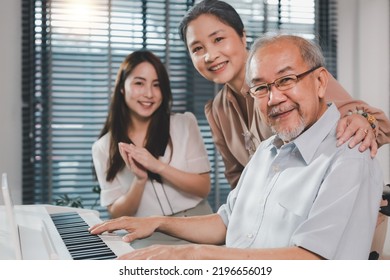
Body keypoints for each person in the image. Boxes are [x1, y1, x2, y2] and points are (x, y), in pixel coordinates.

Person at [89, 34, 383, 260]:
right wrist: (156, 223)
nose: (273, 98)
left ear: (320, 82)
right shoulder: (267, 150)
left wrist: (196, 255)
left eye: (286, 80)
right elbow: (224, 223)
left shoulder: (348, 153)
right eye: (261, 88)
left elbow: (311, 260)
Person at [178, 0, 390, 189]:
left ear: (242, 36)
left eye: (218, 39)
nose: (210, 55)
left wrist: (363, 121)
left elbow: (374, 121)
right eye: (197, 48)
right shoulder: (216, 110)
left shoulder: (291, 70)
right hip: (277, 220)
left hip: (339, 203)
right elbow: (239, 180)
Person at [92, 50, 213, 225]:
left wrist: (157, 166)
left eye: (156, 85)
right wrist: (140, 180)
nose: (149, 93)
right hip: (146, 231)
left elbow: (203, 188)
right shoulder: (103, 147)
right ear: (121, 87)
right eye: (139, 83)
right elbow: (117, 213)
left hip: (197, 222)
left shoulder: (184, 124)